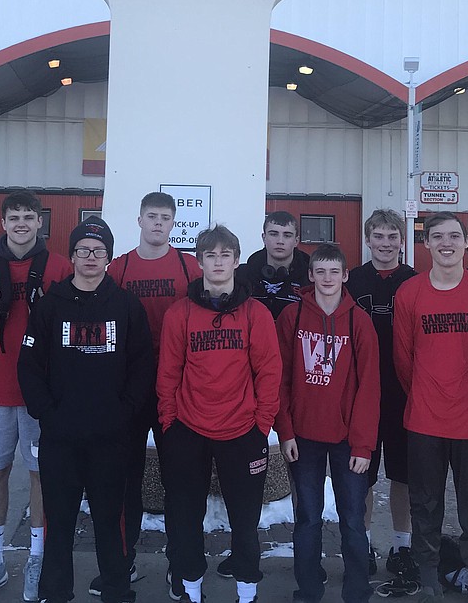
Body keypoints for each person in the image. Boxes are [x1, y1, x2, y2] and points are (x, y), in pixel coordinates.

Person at [17, 217, 155, 603]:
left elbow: (143, 363)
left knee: (111, 523)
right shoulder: (49, 306)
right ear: (73, 256)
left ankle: (116, 589)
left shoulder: (127, 305)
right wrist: (47, 411)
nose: (90, 257)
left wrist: (125, 410)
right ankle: (55, 591)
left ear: (109, 258)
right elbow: (29, 365)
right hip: (61, 436)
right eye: (82, 250)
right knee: (57, 522)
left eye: (98, 251)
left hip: (111, 438)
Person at [0, 191, 73, 602]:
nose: (21, 223)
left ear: (40, 222)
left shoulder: (59, 266)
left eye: (29, 216)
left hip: (41, 392)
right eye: (14, 217)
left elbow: (72, 329)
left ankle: (37, 557)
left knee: (41, 474)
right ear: (2, 223)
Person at [157, 225, 281, 603]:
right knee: (185, 519)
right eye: (210, 255)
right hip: (189, 430)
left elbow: (269, 371)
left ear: (236, 260)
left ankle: (246, 593)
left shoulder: (255, 313)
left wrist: (262, 426)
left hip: (242, 431)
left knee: (245, 522)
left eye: (225, 255)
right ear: (199, 262)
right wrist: (169, 423)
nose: (218, 261)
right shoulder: (179, 313)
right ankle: (192, 590)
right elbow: (168, 373)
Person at [393, 213, 468, 603]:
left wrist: (463, 391)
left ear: (465, 243)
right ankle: (428, 582)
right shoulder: (409, 293)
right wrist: (429, 392)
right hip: (424, 419)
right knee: (425, 504)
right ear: (425, 244)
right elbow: (403, 361)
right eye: (437, 236)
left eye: (454, 236)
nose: (446, 243)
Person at [103, 191, 201, 593]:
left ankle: (179, 566)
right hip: (129, 389)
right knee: (125, 482)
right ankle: (122, 566)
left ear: (173, 223)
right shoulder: (119, 268)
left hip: (175, 389)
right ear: (139, 219)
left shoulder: (188, 265)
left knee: (179, 482)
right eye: (152, 216)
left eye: (165, 218)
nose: (158, 223)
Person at [276, 244, 380, 603]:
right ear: (310, 275)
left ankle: (357, 590)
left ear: (345, 275)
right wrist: (285, 431)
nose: (327, 278)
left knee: (352, 520)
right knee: (308, 519)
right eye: (320, 271)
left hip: (347, 440)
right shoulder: (291, 319)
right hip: (303, 437)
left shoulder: (359, 321)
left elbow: (369, 388)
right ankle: (308, 589)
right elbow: (281, 380)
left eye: (334, 271)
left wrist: (363, 445)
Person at [344, 209, 418, 588]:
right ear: (368, 239)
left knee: (403, 476)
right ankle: (365, 543)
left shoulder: (415, 281)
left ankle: (402, 546)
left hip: (405, 394)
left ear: (401, 241)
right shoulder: (352, 280)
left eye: (392, 237)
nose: (386, 243)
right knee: (364, 475)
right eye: (379, 236)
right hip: (363, 395)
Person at [240, 211, 310, 319]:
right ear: (264, 238)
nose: (280, 241)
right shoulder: (242, 276)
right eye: (273, 234)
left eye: (287, 235)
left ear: (296, 241)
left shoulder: (311, 278)